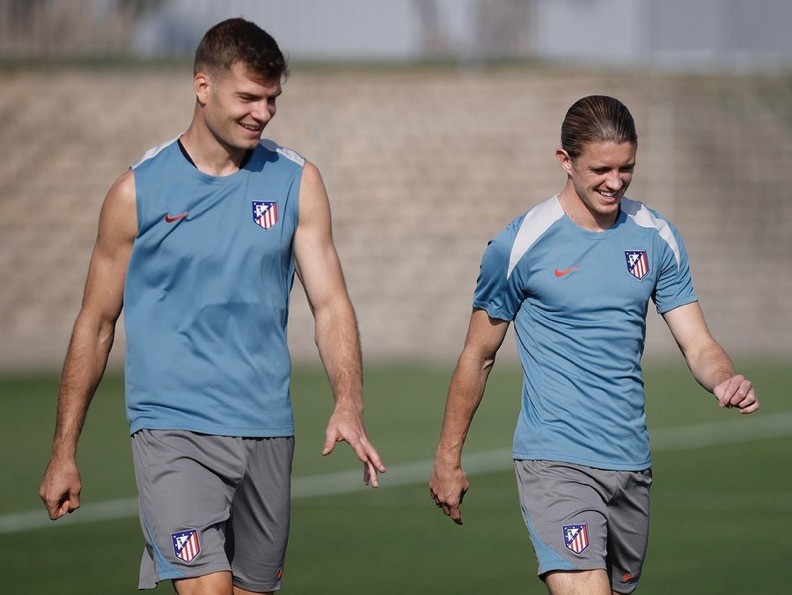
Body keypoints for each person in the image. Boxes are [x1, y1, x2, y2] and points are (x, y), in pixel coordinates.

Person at [38, 18, 385, 595]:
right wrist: (63, 451)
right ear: (203, 86)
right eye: (247, 97)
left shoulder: (297, 182)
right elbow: (96, 324)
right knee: (206, 587)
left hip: (267, 428)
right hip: (173, 428)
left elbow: (330, 304)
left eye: (272, 99)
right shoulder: (136, 193)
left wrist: (348, 402)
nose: (263, 112)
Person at [429, 95, 758, 594]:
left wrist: (724, 378)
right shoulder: (519, 245)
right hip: (555, 461)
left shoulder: (655, 236)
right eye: (600, 169)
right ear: (565, 161)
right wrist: (447, 458)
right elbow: (479, 355)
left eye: (627, 168)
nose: (615, 181)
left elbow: (698, 344)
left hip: (630, 463)